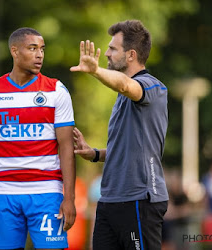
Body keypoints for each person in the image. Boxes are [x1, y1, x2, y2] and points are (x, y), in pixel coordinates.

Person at [0, 27, 76, 250]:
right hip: (4, 192)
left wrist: (69, 198)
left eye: (42, 49)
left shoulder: (56, 91)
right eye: (32, 48)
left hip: (46, 192)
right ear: (14, 51)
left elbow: (66, 148)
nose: (40, 55)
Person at [71, 20, 169, 250]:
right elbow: (128, 149)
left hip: (139, 199)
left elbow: (127, 85)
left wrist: (95, 70)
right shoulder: (122, 97)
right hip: (109, 200)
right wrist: (94, 153)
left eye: (113, 49)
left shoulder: (151, 86)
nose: (106, 53)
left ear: (131, 55)